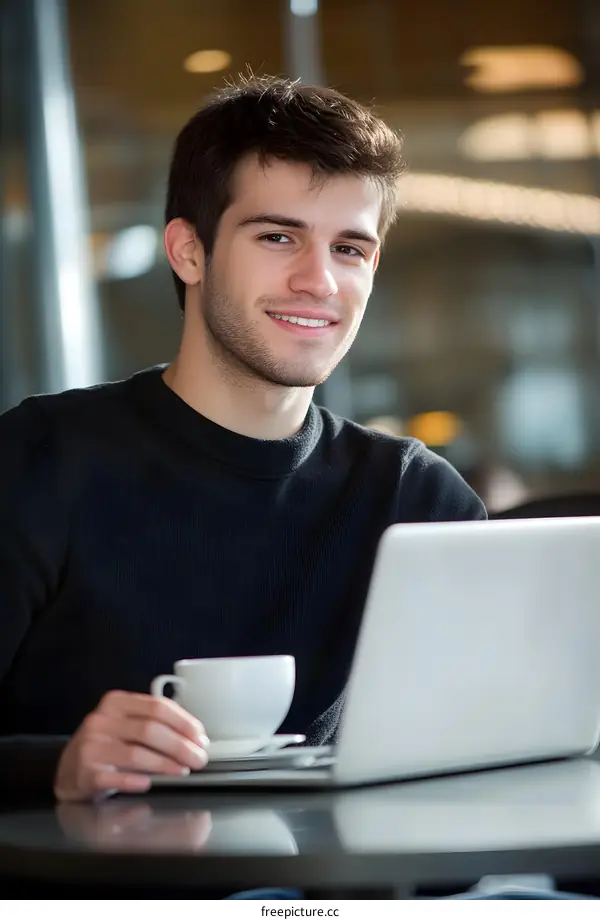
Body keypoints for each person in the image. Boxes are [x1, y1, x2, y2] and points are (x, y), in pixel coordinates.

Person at [0, 75, 486, 805]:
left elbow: (491, 750)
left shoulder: (416, 498)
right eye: (278, 236)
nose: (318, 280)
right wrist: (58, 765)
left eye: (350, 248)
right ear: (188, 252)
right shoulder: (38, 459)